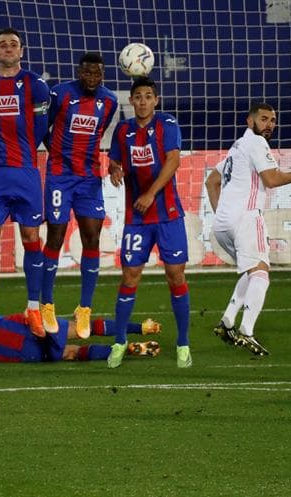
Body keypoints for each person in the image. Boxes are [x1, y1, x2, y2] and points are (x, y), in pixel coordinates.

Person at [205, 103, 291, 356]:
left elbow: (212, 181)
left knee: (250, 270)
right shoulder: (256, 143)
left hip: (223, 224)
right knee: (261, 273)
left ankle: (227, 322)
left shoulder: (237, 147)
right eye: (264, 119)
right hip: (246, 218)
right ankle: (247, 331)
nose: (269, 125)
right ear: (250, 121)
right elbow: (272, 180)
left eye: (273, 120)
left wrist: (223, 213)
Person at [106, 76, 191, 369]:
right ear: (131, 101)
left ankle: (183, 344)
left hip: (167, 215)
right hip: (137, 219)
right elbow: (114, 161)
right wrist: (114, 170)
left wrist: (150, 193)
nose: (143, 101)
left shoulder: (167, 124)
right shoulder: (123, 130)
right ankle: (119, 342)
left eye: (148, 96)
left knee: (175, 276)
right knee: (130, 276)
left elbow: (173, 161)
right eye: (138, 97)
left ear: (155, 100)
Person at [0, 27, 51, 335]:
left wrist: (21, 150)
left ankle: (33, 308)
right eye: (2, 45)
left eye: (13, 45)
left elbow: (41, 126)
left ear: (21, 51)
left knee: (31, 237)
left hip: (26, 173)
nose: (8, 48)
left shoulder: (35, 84)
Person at [41, 52, 119, 337]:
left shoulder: (108, 101)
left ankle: (84, 308)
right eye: (87, 72)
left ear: (103, 75)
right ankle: (46, 303)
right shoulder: (60, 94)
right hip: (60, 177)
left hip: (89, 179)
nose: (92, 78)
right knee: (56, 236)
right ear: (79, 71)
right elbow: (42, 128)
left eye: (97, 73)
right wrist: (57, 153)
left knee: (92, 237)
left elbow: (102, 132)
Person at [0, 296, 162, 363]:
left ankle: (129, 350)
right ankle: (141, 327)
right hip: (17, 327)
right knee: (81, 327)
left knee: (70, 353)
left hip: (9, 352)